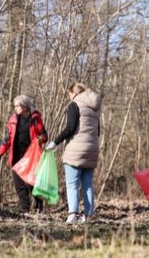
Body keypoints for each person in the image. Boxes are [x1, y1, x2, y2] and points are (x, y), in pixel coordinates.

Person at [46, 83, 102, 224]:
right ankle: (89, 215)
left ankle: (73, 215)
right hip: (92, 149)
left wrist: (55, 142)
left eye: (69, 94)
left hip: (75, 150)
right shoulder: (94, 109)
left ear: (73, 93)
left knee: (72, 184)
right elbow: (98, 132)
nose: (69, 97)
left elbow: (70, 127)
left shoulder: (74, 104)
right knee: (88, 184)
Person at [0, 94, 48, 213]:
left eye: (17, 106)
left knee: (31, 183)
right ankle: (24, 208)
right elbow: (8, 139)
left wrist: (39, 139)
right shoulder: (13, 120)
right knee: (19, 184)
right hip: (16, 155)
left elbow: (44, 136)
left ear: (25, 107)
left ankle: (38, 206)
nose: (15, 108)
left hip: (30, 157)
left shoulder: (35, 119)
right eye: (14, 106)